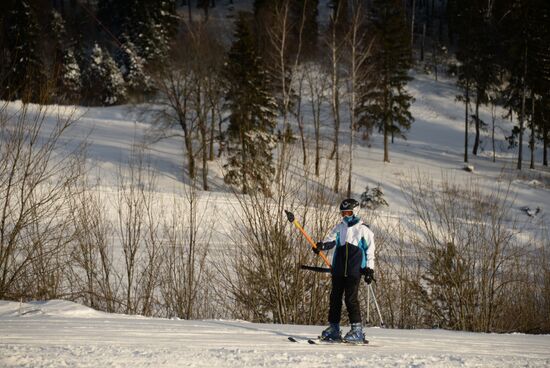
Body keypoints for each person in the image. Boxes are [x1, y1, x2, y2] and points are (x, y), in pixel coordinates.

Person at [313, 198, 375, 343]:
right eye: (343, 213)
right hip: (339, 270)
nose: (345, 216)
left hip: (354, 271)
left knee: (350, 299)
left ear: (355, 212)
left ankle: (357, 330)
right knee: (334, 298)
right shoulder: (340, 227)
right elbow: (330, 241)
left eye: (348, 212)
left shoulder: (364, 230)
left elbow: (370, 251)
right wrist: (321, 246)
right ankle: (334, 329)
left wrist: (369, 270)